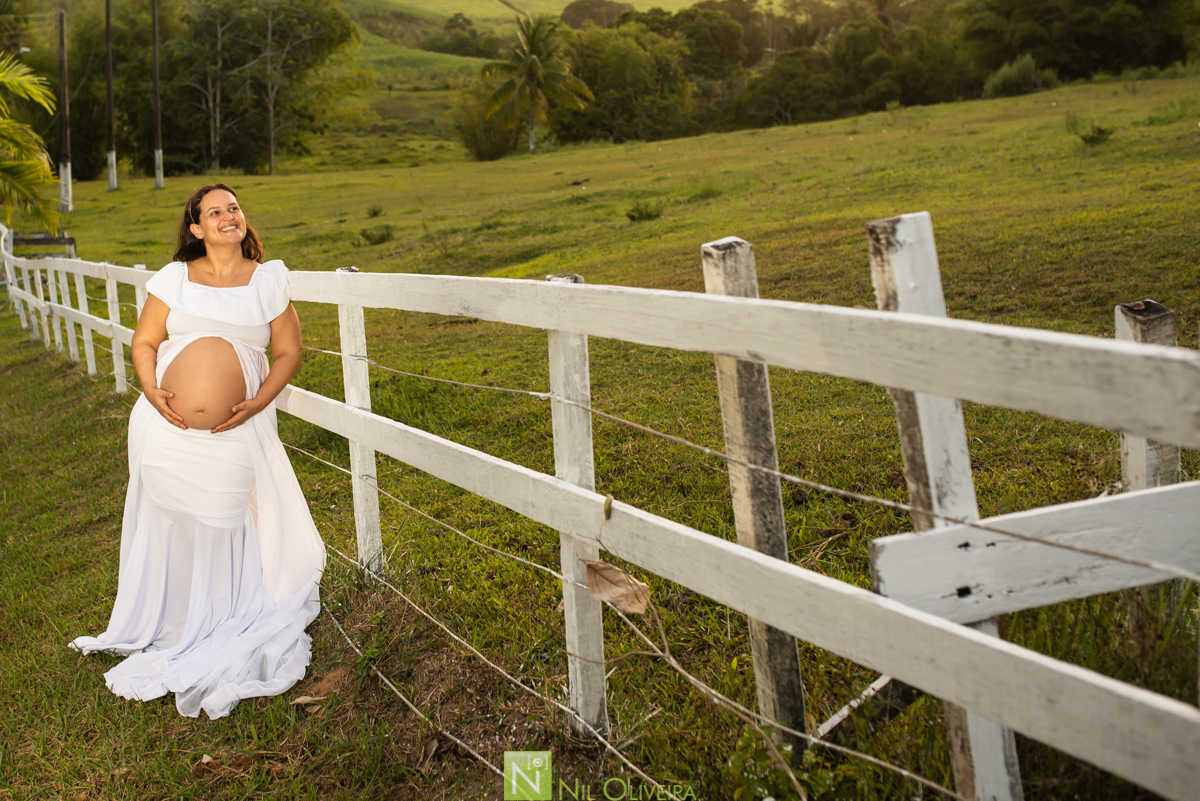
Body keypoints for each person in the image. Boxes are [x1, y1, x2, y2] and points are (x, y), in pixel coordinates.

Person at [71, 184, 326, 719]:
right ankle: (180, 622)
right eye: (215, 212)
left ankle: (224, 619)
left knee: (224, 518)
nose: (228, 217)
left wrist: (258, 400)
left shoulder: (268, 279)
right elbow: (144, 342)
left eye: (233, 208)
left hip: (233, 431)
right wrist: (150, 387)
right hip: (164, 429)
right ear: (195, 228)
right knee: (174, 528)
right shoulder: (173, 279)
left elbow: (288, 350)